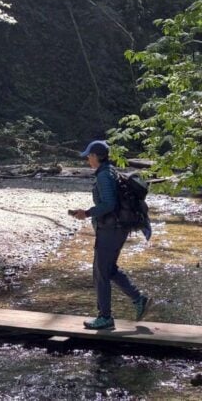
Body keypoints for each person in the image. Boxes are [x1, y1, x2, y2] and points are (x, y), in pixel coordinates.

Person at [69, 139, 151, 329]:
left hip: (111, 230)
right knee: (109, 269)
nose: (88, 159)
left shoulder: (105, 176)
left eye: (89, 156)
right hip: (116, 229)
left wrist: (87, 213)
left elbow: (109, 204)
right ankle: (139, 299)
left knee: (100, 273)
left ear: (96, 156)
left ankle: (105, 317)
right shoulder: (110, 171)